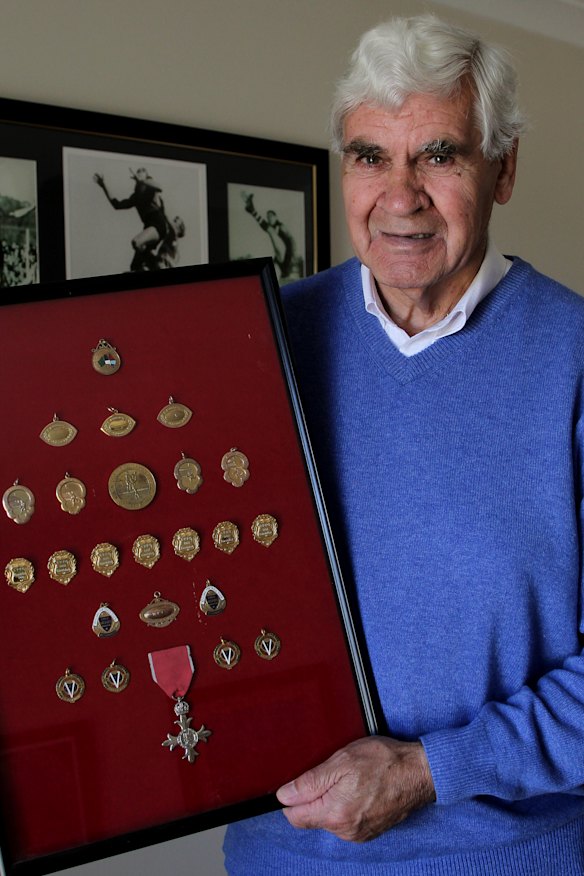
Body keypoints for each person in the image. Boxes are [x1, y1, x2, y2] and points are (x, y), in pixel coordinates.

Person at [224, 14, 584, 875]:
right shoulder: (256, 345)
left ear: (502, 169)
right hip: (283, 857)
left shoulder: (574, 358)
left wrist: (431, 771)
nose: (400, 194)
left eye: (440, 154)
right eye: (370, 156)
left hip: (504, 857)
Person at [93, 167, 185, 271]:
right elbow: (116, 205)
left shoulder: (151, 190)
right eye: (137, 176)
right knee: (134, 267)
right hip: (148, 228)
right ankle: (153, 264)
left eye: (141, 175)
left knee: (136, 242)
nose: (138, 179)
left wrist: (142, 180)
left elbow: (159, 187)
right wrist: (103, 185)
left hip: (158, 225)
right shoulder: (135, 197)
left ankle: (155, 260)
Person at [241, 191, 304, 282]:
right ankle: (251, 210)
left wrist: (294, 253)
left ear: (276, 217)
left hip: (288, 254)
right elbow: (269, 232)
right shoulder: (272, 229)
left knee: (270, 231)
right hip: (281, 257)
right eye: (268, 217)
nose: (269, 218)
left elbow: (291, 239)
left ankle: (252, 210)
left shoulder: (281, 226)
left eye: (271, 216)